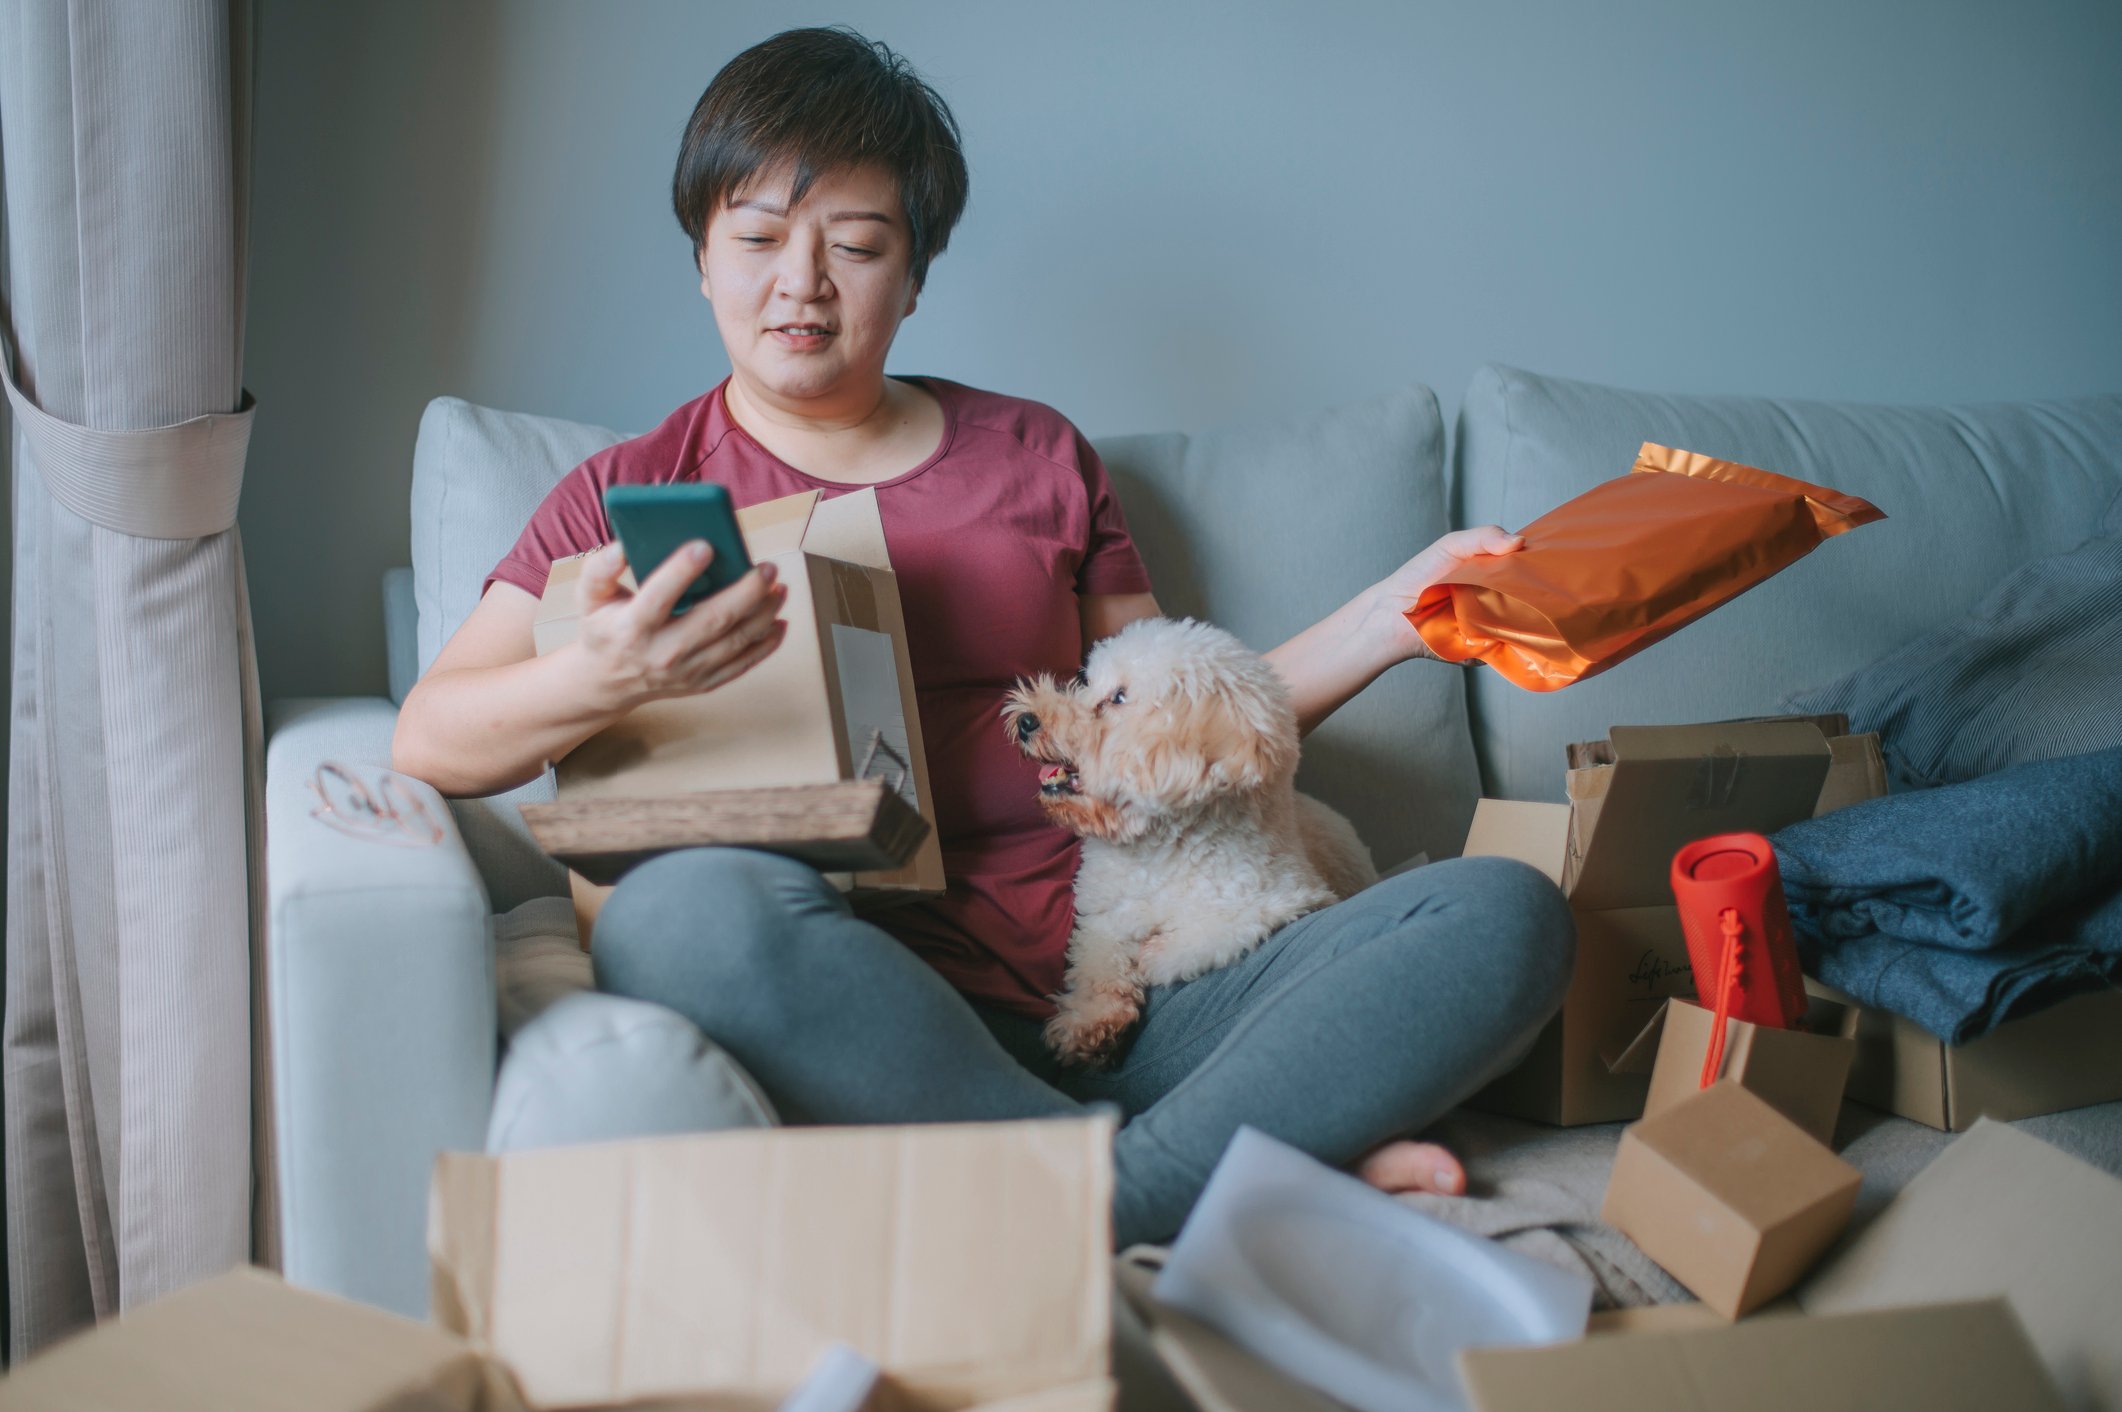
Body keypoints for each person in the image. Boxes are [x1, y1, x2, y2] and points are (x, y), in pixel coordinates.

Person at [392, 26, 1572, 1248]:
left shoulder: (1035, 456)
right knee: (673, 916)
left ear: (913, 276)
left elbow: (1173, 726)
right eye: (756, 240)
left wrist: (1392, 616)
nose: (800, 283)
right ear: (701, 256)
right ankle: (1201, 1166)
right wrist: (608, 670)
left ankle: (1099, 1185)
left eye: (855, 246)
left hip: (1136, 981)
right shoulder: (627, 491)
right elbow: (432, 737)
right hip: (869, 1016)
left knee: (1501, 913)